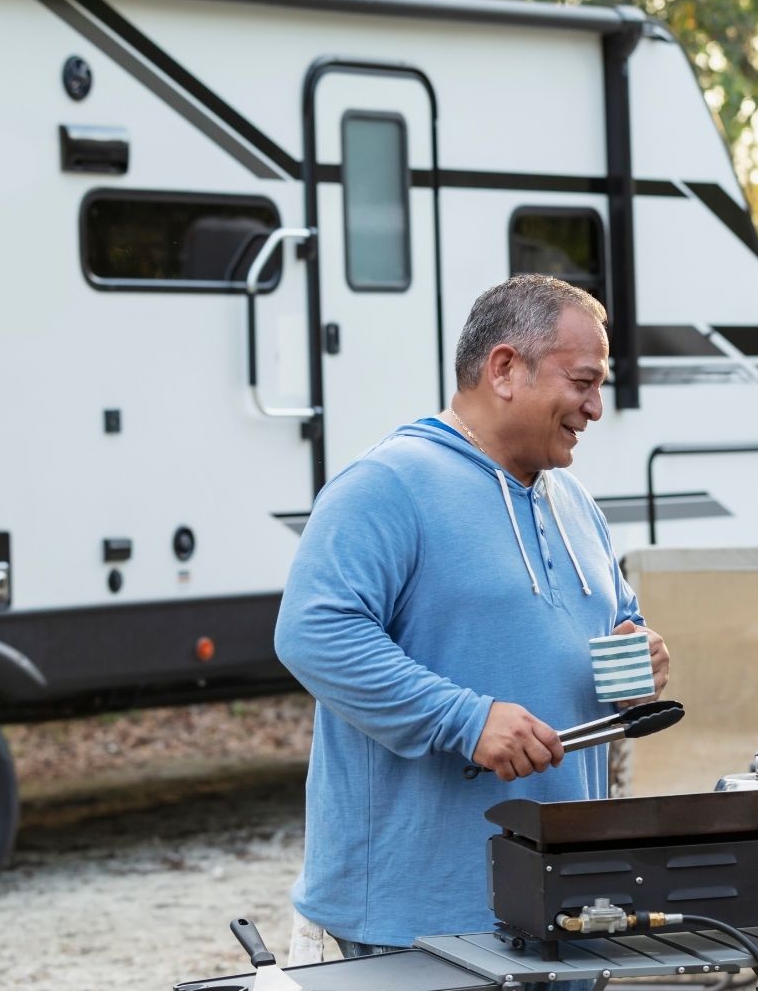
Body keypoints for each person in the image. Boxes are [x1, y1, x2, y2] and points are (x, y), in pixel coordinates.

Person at [275, 274, 669, 968]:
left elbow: (617, 624)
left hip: (565, 911)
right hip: (414, 928)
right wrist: (469, 719)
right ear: (505, 368)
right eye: (582, 381)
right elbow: (315, 633)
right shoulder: (389, 484)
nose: (597, 408)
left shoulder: (575, 502)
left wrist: (639, 665)